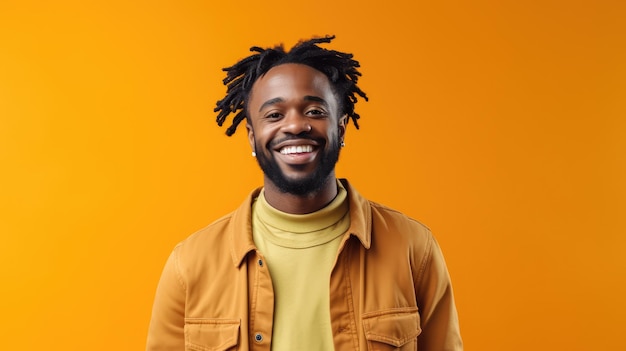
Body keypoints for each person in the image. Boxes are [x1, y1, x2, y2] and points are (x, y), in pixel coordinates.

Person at [146, 35, 463, 351]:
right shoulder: (189, 264)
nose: (295, 125)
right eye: (274, 115)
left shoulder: (413, 249)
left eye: (314, 111)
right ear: (252, 137)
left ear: (340, 129)